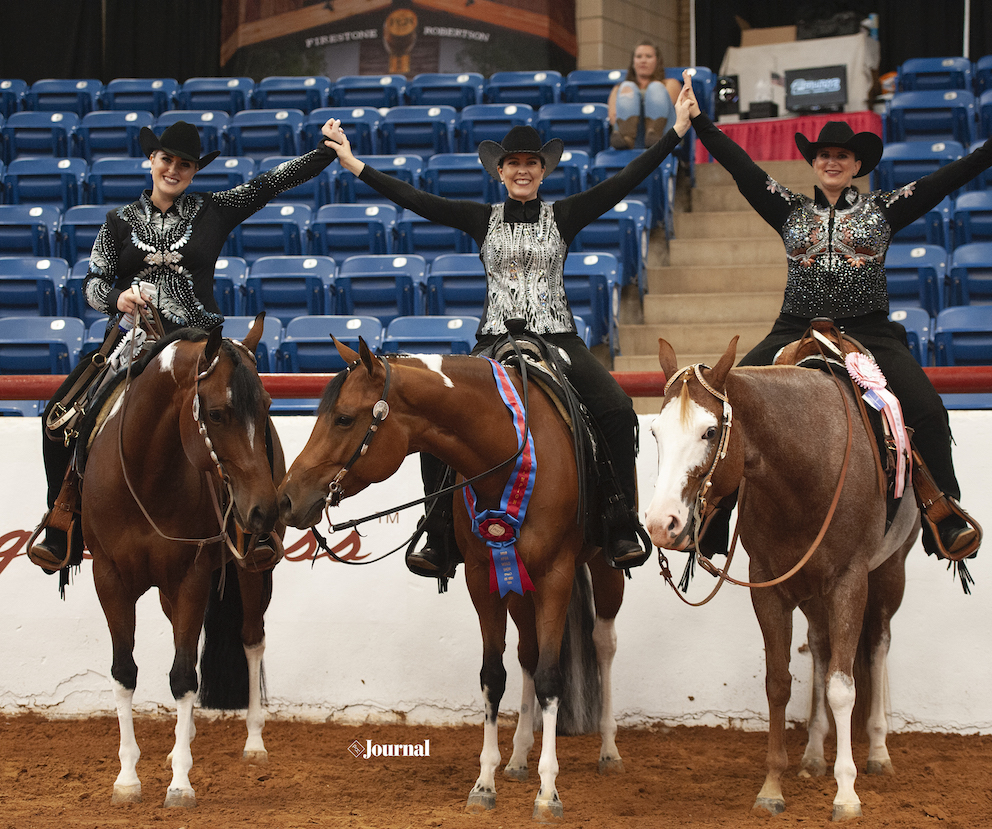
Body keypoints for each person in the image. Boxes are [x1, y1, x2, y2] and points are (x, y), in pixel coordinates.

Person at [321, 72, 697, 576]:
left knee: (615, 408)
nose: (523, 171)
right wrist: (353, 163)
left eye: (531, 165)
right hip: (493, 340)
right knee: (434, 414)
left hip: (556, 338)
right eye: (514, 164)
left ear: (543, 172)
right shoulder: (481, 218)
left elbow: (624, 180)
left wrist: (674, 131)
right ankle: (438, 532)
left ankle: (617, 518)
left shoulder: (565, 215)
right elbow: (417, 199)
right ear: (500, 171)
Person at [683, 84, 992, 561]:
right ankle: (715, 522)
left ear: (858, 164)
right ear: (813, 163)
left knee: (926, 408)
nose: (832, 162)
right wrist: (699, 121)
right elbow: (741, 167)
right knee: (729, 397)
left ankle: (942, 516)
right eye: (824, 155)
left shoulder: (882, 210)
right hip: (794, 327)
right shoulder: (789, 210)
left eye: (842, 155)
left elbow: (944, 181)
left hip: (869, 331)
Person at [28, 119, 342, 572]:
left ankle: (255, 527)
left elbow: (270, 183)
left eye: (185, 164)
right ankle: (64, 519)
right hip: (134, 344)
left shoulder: (214, 209)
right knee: (60, 415)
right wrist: (117, 297)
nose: (174, 169)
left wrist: (326, 152)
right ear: (151, 161)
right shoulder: (117, 222)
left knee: (247, 413)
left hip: (200, 346)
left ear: (194, 172)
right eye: (167, 160)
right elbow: (91, 284)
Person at [607, 40, 682, 150]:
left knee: (655, 87)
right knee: (627, 87)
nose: (643, 60)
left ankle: (654, 136)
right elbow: (613, 118)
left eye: (648, 56)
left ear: (657, 61)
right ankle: (627, 139)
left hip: (664, 137)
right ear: (633, 62)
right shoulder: (619, 88)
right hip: (630, 142)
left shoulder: (670, 84)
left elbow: (665, 108)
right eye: (639, 56)